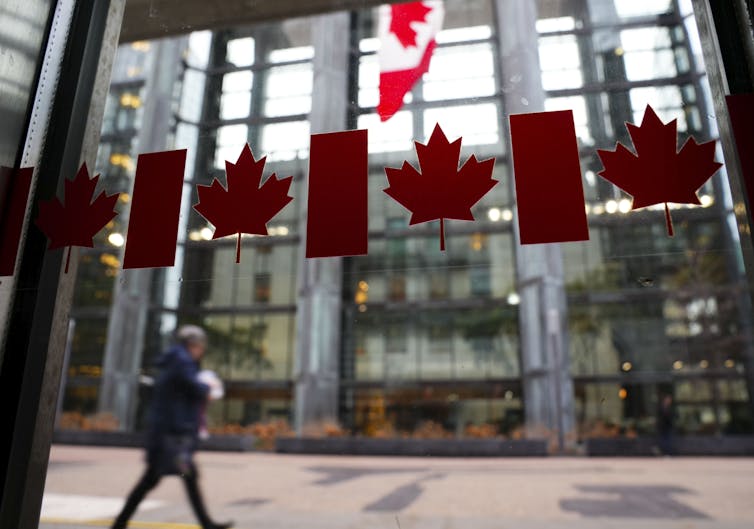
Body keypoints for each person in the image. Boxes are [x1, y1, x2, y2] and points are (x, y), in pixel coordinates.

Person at [111, 325, 232, 529]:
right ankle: (119, 524)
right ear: (194, 345)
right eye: (201, 347)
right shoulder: (182, 362)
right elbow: (193, 386)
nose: (201, 351)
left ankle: (120, 524)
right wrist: (208, 388)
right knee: (163, 478)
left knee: (172, 477)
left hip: (168, 437)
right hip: (171, 439)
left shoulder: (176, 361)